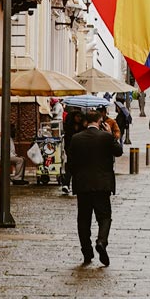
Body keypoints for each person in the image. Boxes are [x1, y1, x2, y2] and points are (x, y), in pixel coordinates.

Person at [68, 110, 123, 266]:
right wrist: (111, 134)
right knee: (104, 217)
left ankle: (87, 252)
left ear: (86, 122)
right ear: (100, 122)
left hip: (83, 185)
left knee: (83, 219)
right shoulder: (106, 137)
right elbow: (118, 152)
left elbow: (71, 163)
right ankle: (101, 241)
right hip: (102, 185)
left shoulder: (76, 138)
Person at [61, 110, 85, 194]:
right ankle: (66, 184)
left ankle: (74, 185)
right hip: (71, 149)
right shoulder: (69, 127)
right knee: (71, 166)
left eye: (80, 117)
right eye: (77, 116)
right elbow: (67, 140)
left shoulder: (83, 127)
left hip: (80, 150)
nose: (79, 118)